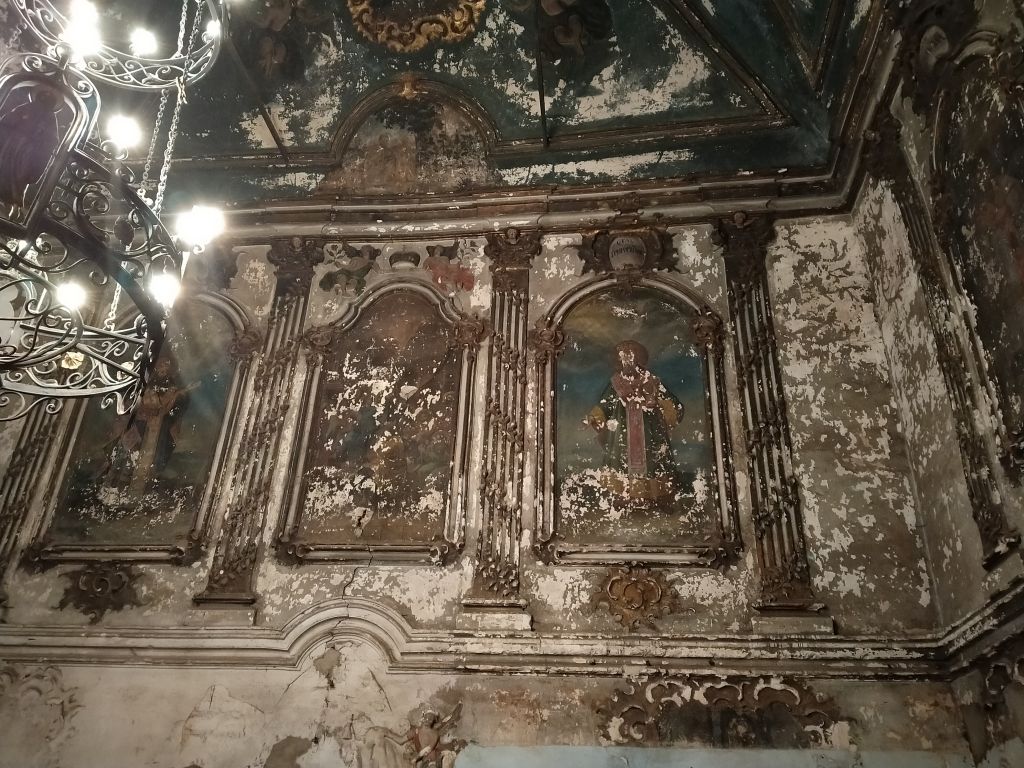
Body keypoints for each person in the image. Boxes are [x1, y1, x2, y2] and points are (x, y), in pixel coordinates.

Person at [586, 339, 694, 506]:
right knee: (622, 462)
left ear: (638, 359)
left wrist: (659, 405)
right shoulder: (616, 382)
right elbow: (604, 405)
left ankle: (657, 496)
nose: (626, 361)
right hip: (623, 433)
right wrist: (593, 417)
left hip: (650, 431)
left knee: (654, 461)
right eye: (623, 358)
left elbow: (672, 403)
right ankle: (625, 496)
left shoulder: (651, 380)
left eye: (629, 357)